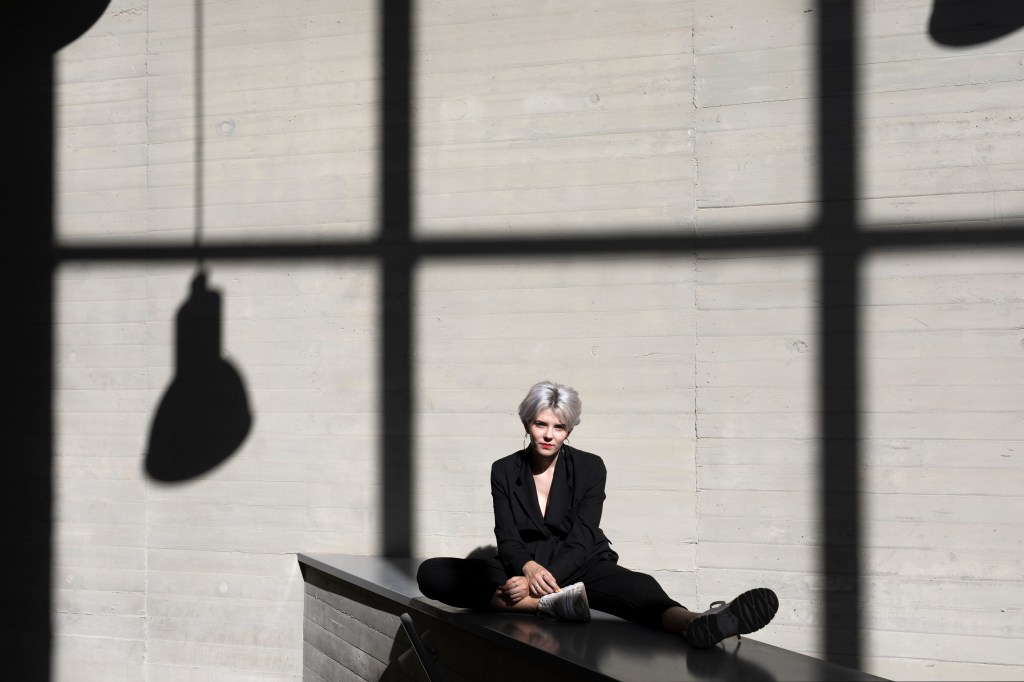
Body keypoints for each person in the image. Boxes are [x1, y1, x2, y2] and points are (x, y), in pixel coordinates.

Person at [416, 380, 779, 648]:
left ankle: (700, 622)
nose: (549, 435)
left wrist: (539, 581)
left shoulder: (590, 467)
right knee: (433, 573)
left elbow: (584, 536)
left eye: (559, 427)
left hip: (582, 563)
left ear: (569, 429)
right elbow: (508, 537)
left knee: (639, 589)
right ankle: (548, 606)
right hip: (523, 565)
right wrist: (526, 570)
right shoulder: (504, 470)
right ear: (527, 423)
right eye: (541, 424)